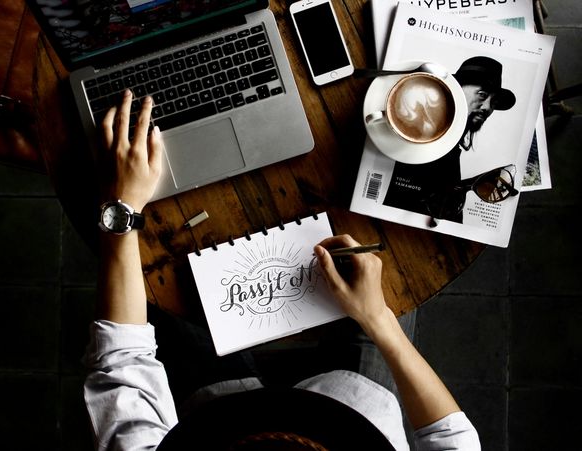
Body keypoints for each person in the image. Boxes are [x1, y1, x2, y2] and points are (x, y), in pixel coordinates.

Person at [83, 88, 481, 450]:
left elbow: (122, 361)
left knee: (168, 286)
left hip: (214, 411)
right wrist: (377, 317)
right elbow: (454, 440)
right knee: (393, 256)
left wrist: (123, 206)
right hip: (360, 403)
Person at [383, 56, 516, 223]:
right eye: (482, 95)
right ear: (456, 89)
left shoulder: (450, 148)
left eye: (494, 102)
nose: (488, 107)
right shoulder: (424, 138)